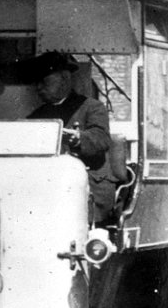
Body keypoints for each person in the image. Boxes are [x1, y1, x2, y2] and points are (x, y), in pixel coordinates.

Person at [26, 52, 115, 224]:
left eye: (44, 82)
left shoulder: (93, 108)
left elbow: (101, 138)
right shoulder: (37, 116)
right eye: (37, 83)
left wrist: (78, 138)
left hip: (88, 189)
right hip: (49, 188)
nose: (38, 88)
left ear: (65, 78)